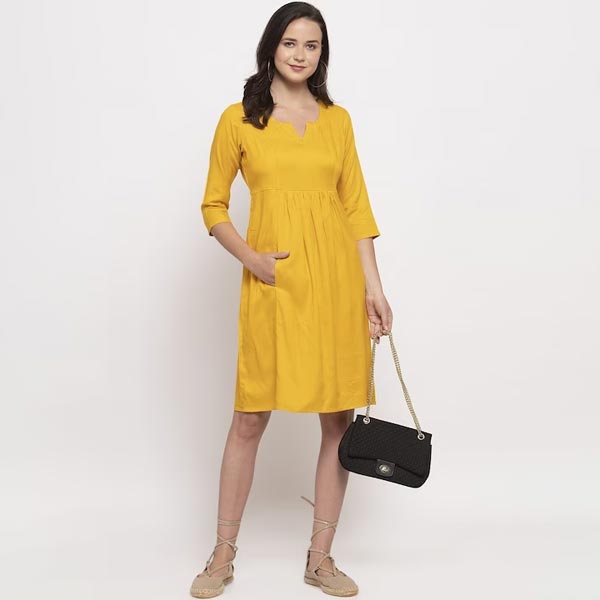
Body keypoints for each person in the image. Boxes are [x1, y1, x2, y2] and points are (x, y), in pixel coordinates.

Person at [190, 2, 393, 597]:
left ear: (322, 54)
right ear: (271, 48)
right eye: (290, 43)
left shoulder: (338, 120)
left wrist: (374, 290)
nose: (301, 54)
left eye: (312, 45)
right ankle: (222, 554)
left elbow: (356, 210)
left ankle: (320, 559)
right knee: (250, 416)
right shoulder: (239, 120)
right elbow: (212, 205)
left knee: (338, 420)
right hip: (274, 285)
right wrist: (250, 259)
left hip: (335, 285)